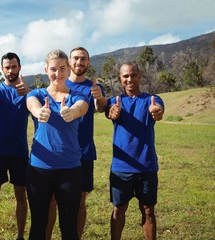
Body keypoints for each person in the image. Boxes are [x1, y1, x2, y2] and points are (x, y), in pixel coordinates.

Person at [26, 49, 89, 240]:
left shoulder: (78, 96)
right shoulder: (36, 94)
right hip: (39, 169)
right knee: (38, 223)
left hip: (69, 169)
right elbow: (32, 105)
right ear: (46, 70)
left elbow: (82, 107)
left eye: (62, 69)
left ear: (68, 68)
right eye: (53, 69)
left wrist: (72, 112)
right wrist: (39, 113)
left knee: (69, 226)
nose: (58, 74)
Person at [45, 47, 107, 239]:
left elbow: (101, 108)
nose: (79, 62)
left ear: (88, 63)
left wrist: (99, 98)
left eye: (84, 59)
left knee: (80, 200)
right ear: (69, 62)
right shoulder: (59, 83)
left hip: (84, 151)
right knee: (51, 200)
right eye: (76, 59)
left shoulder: (93, 87)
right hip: (58, 152)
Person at [106, 62, 164, 240]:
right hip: (121, 168)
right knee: (118, 209)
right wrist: (111, 112)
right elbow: (109, 111)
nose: (129, 79)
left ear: (139, 76)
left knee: (148, 210)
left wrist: (157, 112)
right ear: (120, 79)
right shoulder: (115, 102)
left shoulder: (152, 99)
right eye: (125, 76)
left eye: (133, 75)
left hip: (146, 167)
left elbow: (158, 111)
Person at [0, 52, 31, 240]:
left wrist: (28, 92)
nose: (10, 70)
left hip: (19, 152)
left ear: (19, 67)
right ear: (2, 69)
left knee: (21, 194)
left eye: (14, 66)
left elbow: (38, 103)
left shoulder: (26, 91)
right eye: (7, 67)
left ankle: (20, 235)